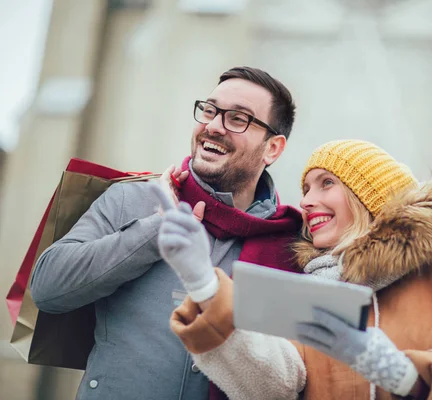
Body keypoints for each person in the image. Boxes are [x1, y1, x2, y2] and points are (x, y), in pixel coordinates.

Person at [161, 139, 432, 400]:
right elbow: (274, 387)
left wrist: (406, 375)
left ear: (370, 198)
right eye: (306, 188)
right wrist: (204, 283)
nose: (307, 201)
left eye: (327, 183)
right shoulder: (309, 285)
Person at [29, 66, 305, 400]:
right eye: (209, 110)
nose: (214, 126)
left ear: (273, 148)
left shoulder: (289, 244)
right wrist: (155, 230)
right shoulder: (132, 199)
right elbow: (46, 289)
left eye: (238, 118)